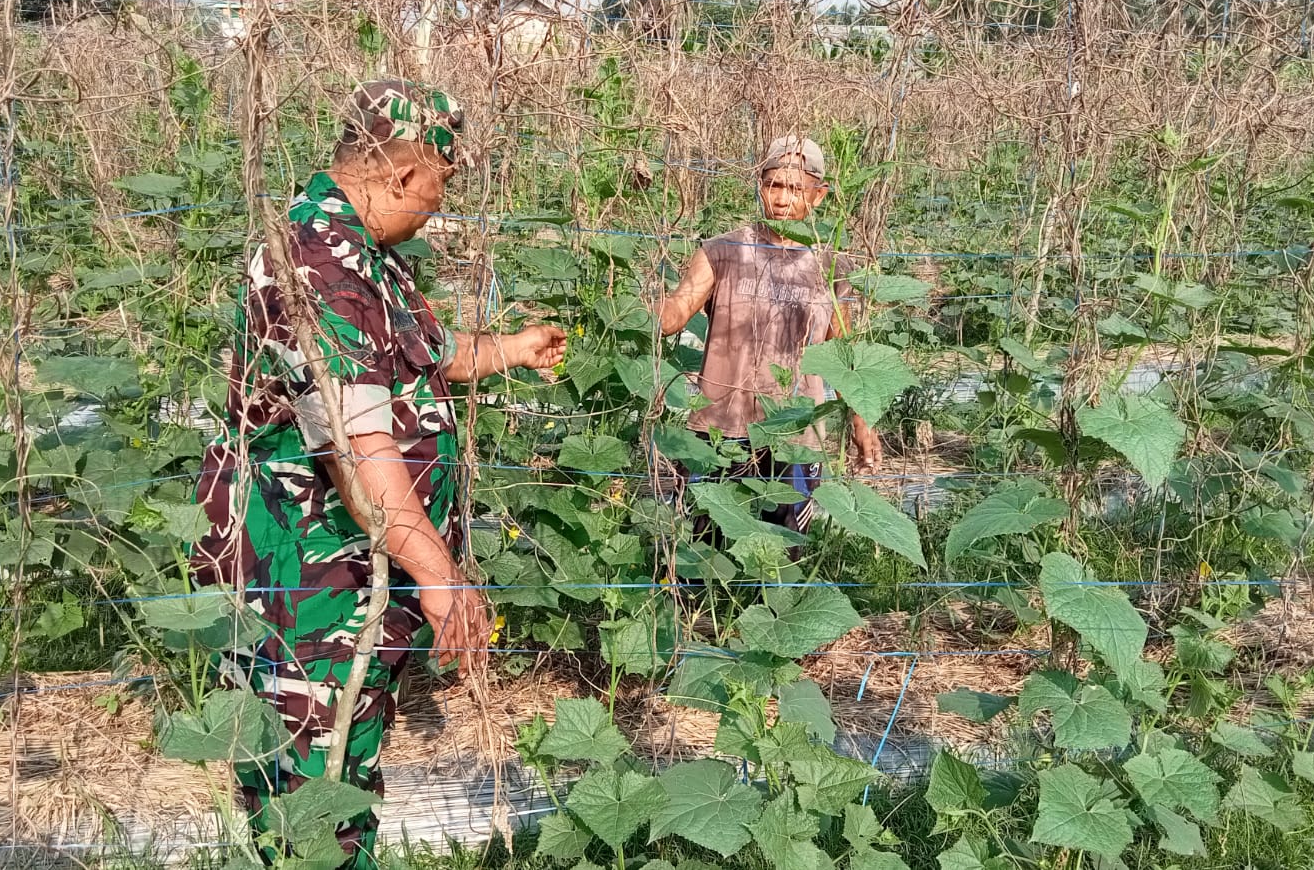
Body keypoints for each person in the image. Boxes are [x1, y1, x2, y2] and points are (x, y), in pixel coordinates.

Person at [188, 80, 566, 869]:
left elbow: (420, 358)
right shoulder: (317, 262)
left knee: (343, 764)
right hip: (309, 572)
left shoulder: (364, 256)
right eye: (440, 185)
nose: (438, 204)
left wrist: (513, 348)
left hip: (353, 569)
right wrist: (441, 575)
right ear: (403, 176)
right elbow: (359, 453)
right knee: (308, 787)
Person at [657, 136, 881, 544]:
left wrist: (860, 420)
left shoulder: (829, 266)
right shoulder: (722, 251)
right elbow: (673, 315)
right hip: (719, 429)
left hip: (794, 436)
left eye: (795, 188)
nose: (781, 199)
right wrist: (639, 303)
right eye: (773, 185)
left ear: (819, 195)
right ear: (760, 186)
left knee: (781, 559)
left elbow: (845, 355)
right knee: (705, 553)